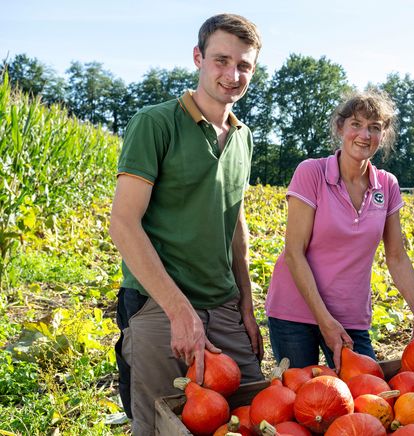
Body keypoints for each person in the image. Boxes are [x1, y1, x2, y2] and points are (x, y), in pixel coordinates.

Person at [109, 14, 264, 434]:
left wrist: (246, 305)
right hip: (160, 305)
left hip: (224, 305)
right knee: (163, 423)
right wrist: (180, 312)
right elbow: (123, 223)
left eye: (244, 65)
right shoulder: (155, 123)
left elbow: (234, 224)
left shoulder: (243, 136)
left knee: (252, 417)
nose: (232, 75)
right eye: (221, 60)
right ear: (198, 57)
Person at [264, 90, 414, 371]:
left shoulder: (387, 185)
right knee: (298, 402)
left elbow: (396, 256)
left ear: (384, 135)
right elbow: (294, 253)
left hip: (350, 316)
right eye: (356, 124)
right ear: (340, 127)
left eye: (374, 128)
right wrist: (324, 320)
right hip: (295, 312)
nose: (364, 135)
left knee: (367, 395)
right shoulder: (312, 173)